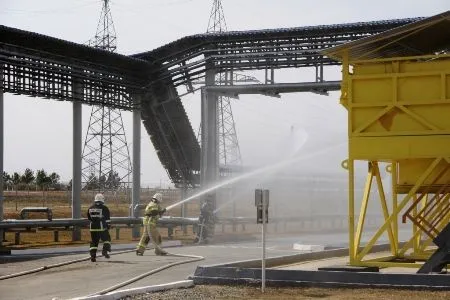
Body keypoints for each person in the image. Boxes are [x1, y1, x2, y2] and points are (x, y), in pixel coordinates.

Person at [87, 193, 111, 262]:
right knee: (107, 239)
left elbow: (89, 217)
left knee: (94, 242)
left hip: (92, 228)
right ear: (102, 200)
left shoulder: (90, 208)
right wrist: (108, 226)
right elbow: (107, 219)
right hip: (101, 228)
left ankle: (93, 256)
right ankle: (105, 251)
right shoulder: (104, 208)